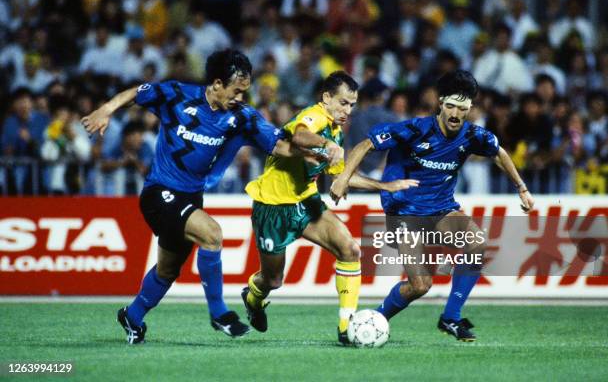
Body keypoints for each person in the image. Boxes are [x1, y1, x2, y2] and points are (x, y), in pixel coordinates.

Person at [81, 49, 330, 344]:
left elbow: (279, 146)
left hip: (190, 198)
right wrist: (106, 109)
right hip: (159, 192)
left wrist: (312, 152)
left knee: (167, 270)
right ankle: (219, 313)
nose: (240, 97)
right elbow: (139, 91)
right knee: (212, 234)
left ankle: (132, 317)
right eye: (236, 91)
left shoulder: (242, 117)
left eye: (244, 91)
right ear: (216, 84)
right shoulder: (176, 94)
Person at [331, 70, 534, 341]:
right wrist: (344, 178)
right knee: (420, 285)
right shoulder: (414, 129)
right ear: (440, 103)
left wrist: (521, 188)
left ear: (470, 109)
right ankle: (375, 318)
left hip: (441, 210)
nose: (455, 113)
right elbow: (366, 144)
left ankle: (451, 317)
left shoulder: (473, 136)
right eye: (450, 106)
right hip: (404, 212)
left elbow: (499, 153)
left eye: (462, 108)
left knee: (475, 242)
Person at [241, 71, 417, 345]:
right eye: (343, 102)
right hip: (272, 206)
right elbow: (299, 136)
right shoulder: (315, 116)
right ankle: (252, 297)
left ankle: (346, 327)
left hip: (307, 202)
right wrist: (326, 144)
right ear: (326, 98)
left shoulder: (335, 130)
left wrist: (386, 186)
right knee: (273, 280)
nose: (347, 110)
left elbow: (341, 177)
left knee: (350, 250)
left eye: (352, 105)